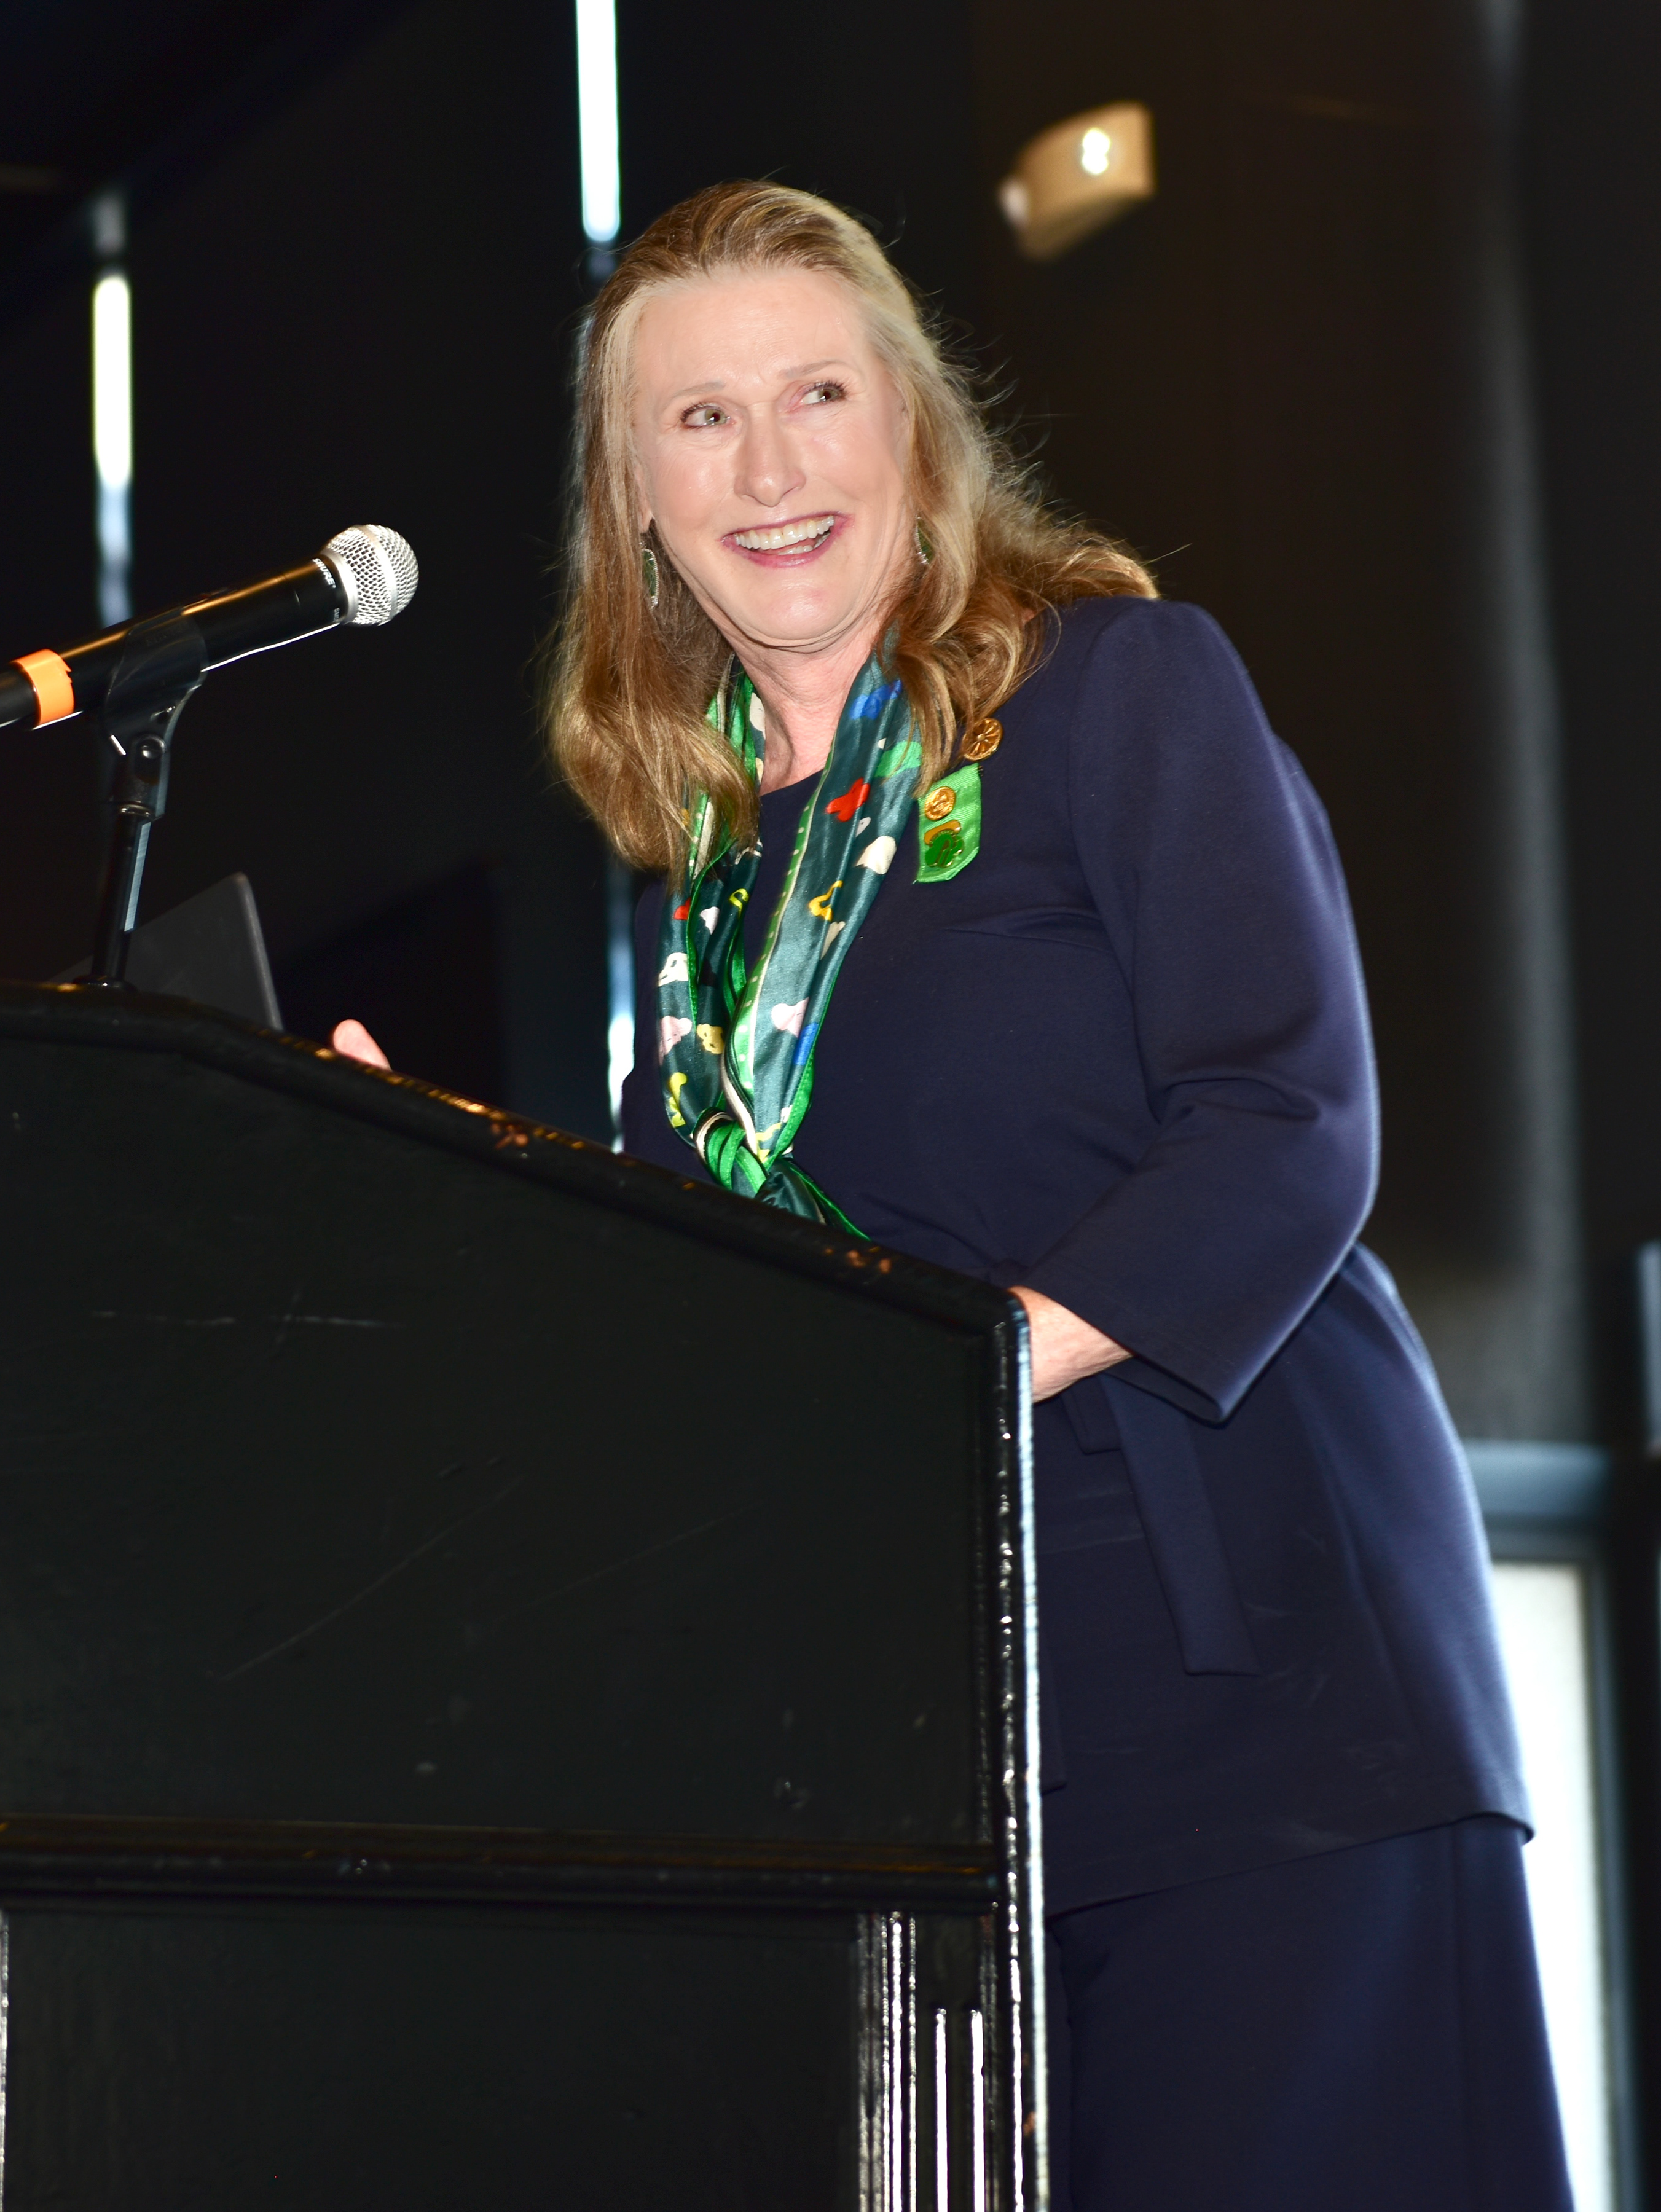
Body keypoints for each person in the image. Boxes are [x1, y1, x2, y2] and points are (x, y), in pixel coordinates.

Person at [336, 181, 1574, 2208]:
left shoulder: (1114, 688)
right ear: (632, 500)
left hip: (1260, 1691)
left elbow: (1286, 1122)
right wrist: (435, 1186)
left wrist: (953, 1377)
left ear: (914, 426)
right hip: (944, 1743)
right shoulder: (711, 888)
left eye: (818, 394)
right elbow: (700, 1324)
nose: (771, 467)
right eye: (701, 419)